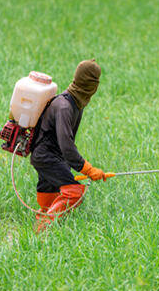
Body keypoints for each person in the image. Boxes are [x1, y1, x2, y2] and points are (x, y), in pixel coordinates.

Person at [29, 59, 106, 232]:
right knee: (74, 192)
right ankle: (43, 227)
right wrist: (88, 169)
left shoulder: (76, 103)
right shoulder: (64, 106)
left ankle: (39, 234)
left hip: (50, 156)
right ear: (91, 85)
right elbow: (66, 146)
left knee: (51, 197)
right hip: (46, 156)